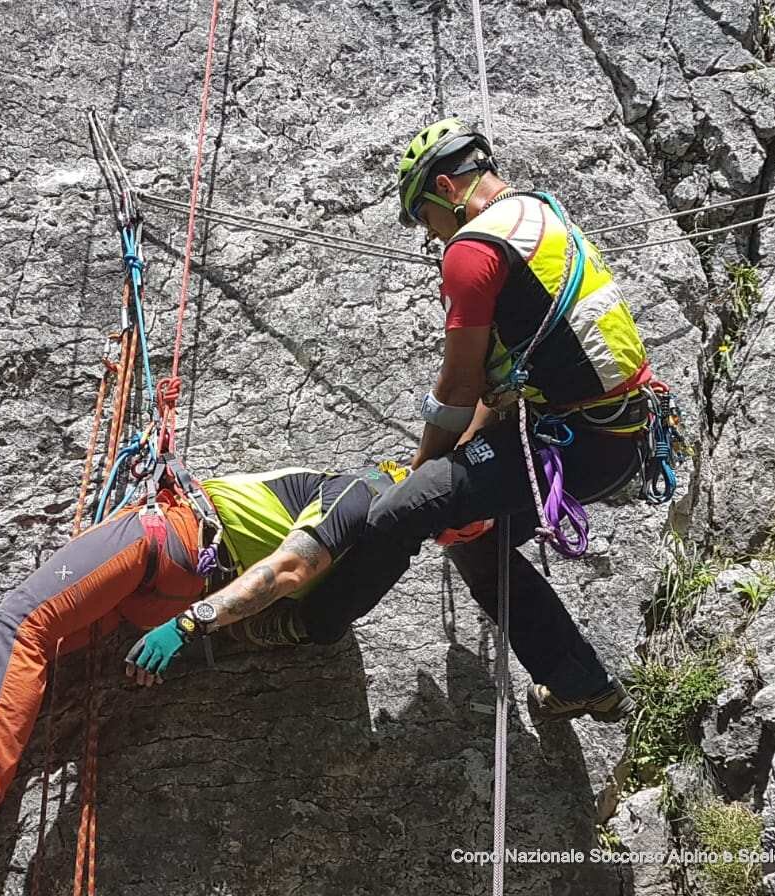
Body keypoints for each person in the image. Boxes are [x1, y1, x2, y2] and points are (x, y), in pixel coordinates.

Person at [260, 117, 664, 723]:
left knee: (402, 510)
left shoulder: (471, 251)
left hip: (580, 439)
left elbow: (457, 384)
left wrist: (423, 473)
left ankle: (307, 623)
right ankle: (580, 681)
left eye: (426, 220)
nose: (431, 237)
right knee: (474, 539)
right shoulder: (543, 216)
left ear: (447, 188)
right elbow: (502, 376)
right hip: (615, 435)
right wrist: (456, 467)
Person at [0, 462, 401, 876]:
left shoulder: (360, 489)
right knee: (38, 658)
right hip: (173, 591)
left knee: (18, 625)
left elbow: (285, 570)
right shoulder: (373, 565)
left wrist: (190, 625)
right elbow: (288, 623)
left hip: (168, 540)